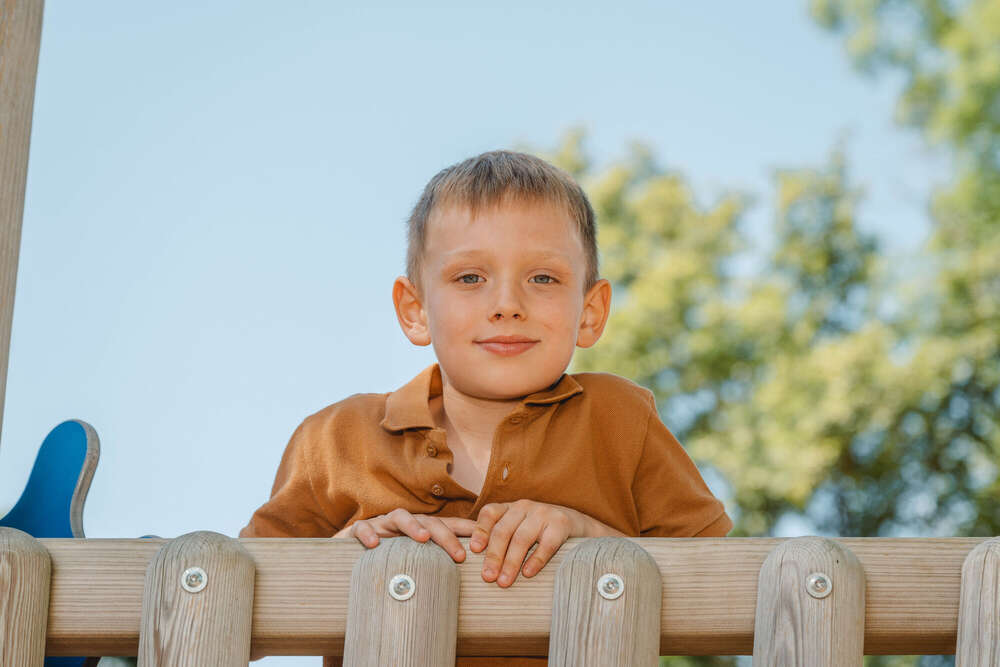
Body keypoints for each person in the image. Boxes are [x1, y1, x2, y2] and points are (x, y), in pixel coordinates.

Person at [240, 150, 731, 665]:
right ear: (416, 311)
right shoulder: (337, 440)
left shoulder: (621, 420)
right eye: (470, 278)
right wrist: (340, 561)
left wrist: (594, 539)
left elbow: (725, 592)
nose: (507, 303)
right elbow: (235, 603)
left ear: (590, 312)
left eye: (542, 278)